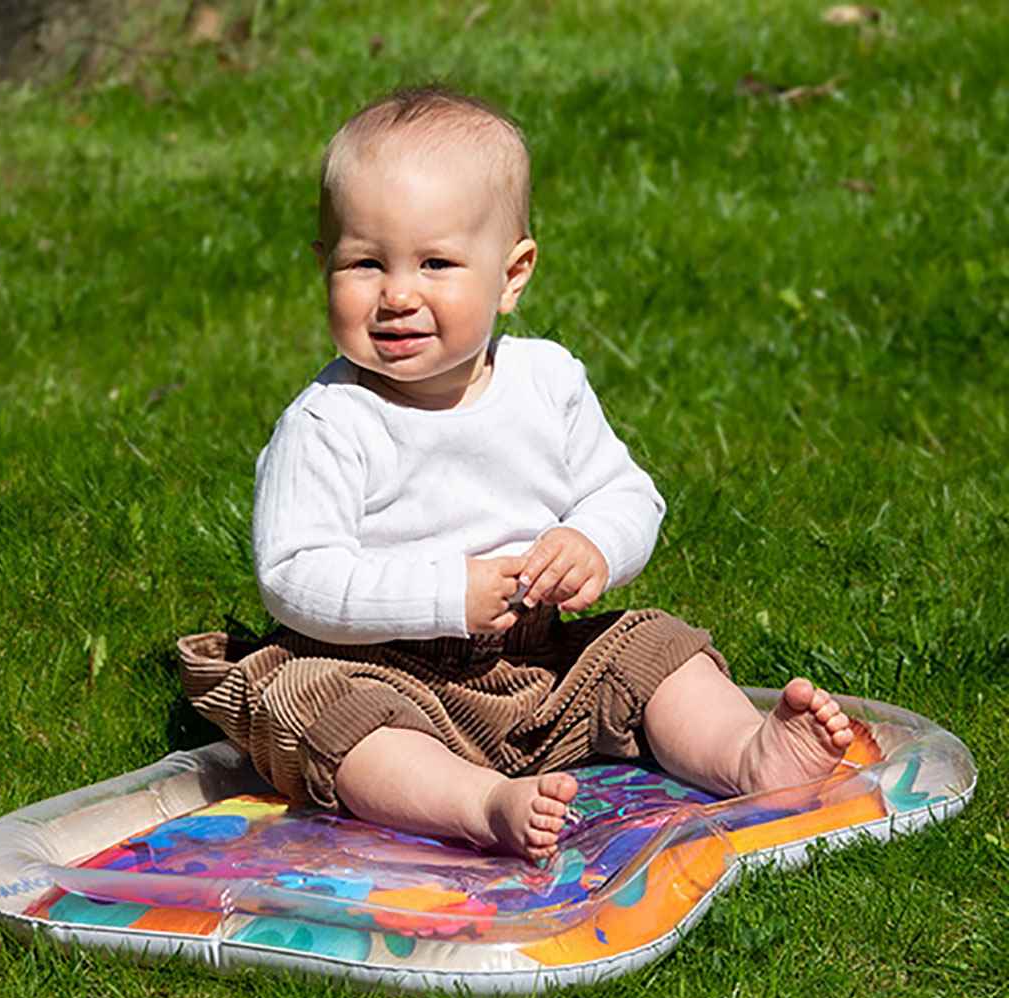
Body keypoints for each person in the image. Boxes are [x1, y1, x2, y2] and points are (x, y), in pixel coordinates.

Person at [178, 86, 854, 863]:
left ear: (512, 274)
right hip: (381, 671)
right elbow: (295, 576)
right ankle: (480, 804)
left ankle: (747, 754)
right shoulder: (330, 421)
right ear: (324, 265)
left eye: (436, 263)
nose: (398, 294)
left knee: (656, 648)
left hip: (538, 661)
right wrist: (445, 595)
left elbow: (627, 493)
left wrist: (592, 542)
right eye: (365, 263)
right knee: (314, 710)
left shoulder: (547, 382)